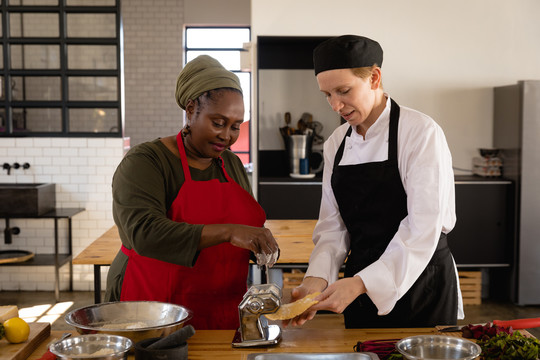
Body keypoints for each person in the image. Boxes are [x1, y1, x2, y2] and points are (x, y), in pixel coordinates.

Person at [288, 35, 463, 328]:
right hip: (359, 283)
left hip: (421, 282)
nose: (335, 105)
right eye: (327, 95)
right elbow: (333, 226)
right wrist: (315, 280)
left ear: (374, 77)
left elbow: (423, 229)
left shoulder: (420, 133)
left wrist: (360, 283)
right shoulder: (336, 144)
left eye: (343, 91)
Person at [105, 55, 279, 330]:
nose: (227, 136)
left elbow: (245, 228)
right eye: (218, 122)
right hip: (154, 307)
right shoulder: (147, 161)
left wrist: (258, 246)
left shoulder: (230, 164)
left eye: (236, 126)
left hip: (222, 304)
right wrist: (228, 231)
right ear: (190, 110)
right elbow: (144, 233)